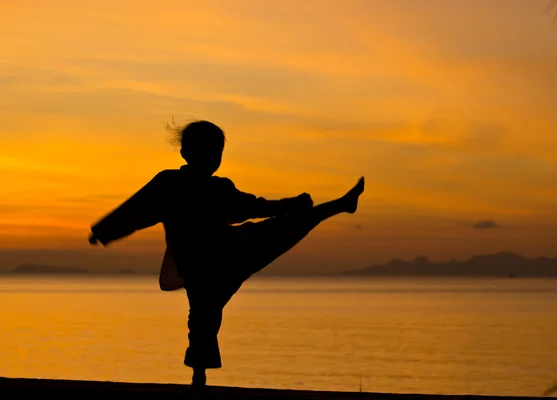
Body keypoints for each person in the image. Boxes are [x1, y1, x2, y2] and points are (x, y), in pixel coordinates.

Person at [87, 120, 365, 397]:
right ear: (185, 153)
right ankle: (198, 378)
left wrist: (291, 205)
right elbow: (136, 208)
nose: (211, 158)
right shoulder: (169, 183)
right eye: (205, 151)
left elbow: (255, 206)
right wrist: (104, 230)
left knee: (283, 229)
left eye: (215, 152)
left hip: (229, 252)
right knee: (203, 317)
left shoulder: (219, 188)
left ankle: (341, 204)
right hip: (200, 263)